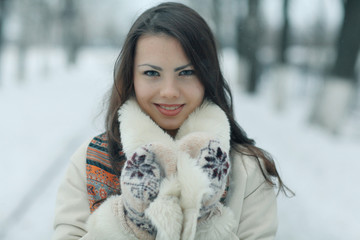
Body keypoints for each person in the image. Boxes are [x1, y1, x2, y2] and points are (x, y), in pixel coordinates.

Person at [52, 2, 290, 240]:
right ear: (131, 77)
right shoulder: (90, 161)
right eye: (152, 73)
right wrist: (127, 223)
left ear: (208, 76)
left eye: (186, 73)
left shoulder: (246, 170)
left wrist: (204, 217)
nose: (169, 91)